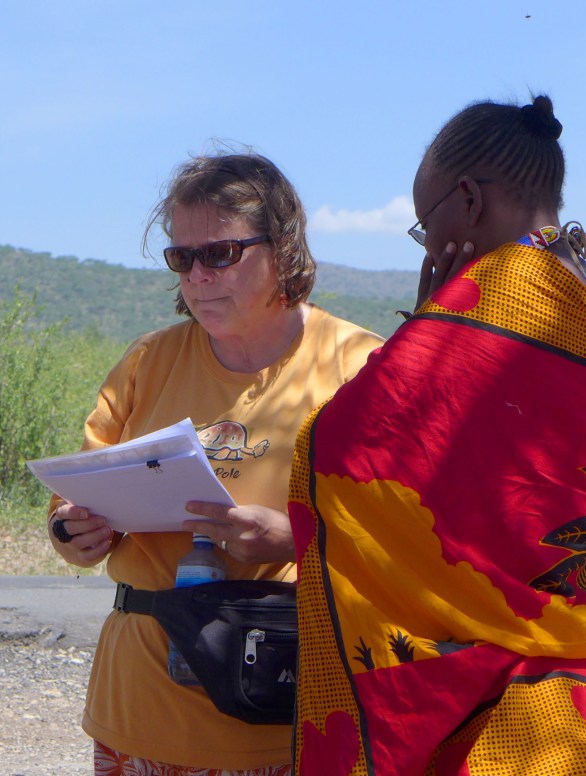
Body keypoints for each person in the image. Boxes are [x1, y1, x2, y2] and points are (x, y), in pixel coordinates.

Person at [288, 97, 586, 775]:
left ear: (468, 200)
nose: (429, 247)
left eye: (426, 225)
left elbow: (331, 457)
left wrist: (426, 332)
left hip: (487, 712)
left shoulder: (481, 310)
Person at [46, 152, 383, 775]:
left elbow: (414, 540)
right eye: (182, 258)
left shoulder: (362, 367)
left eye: (220, 253)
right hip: (139, 712)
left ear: (283, 247)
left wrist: (299, 538)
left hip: (290, 717)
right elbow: (70, 509)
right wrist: (74, 531)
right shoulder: (148, 362)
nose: (199, 276)